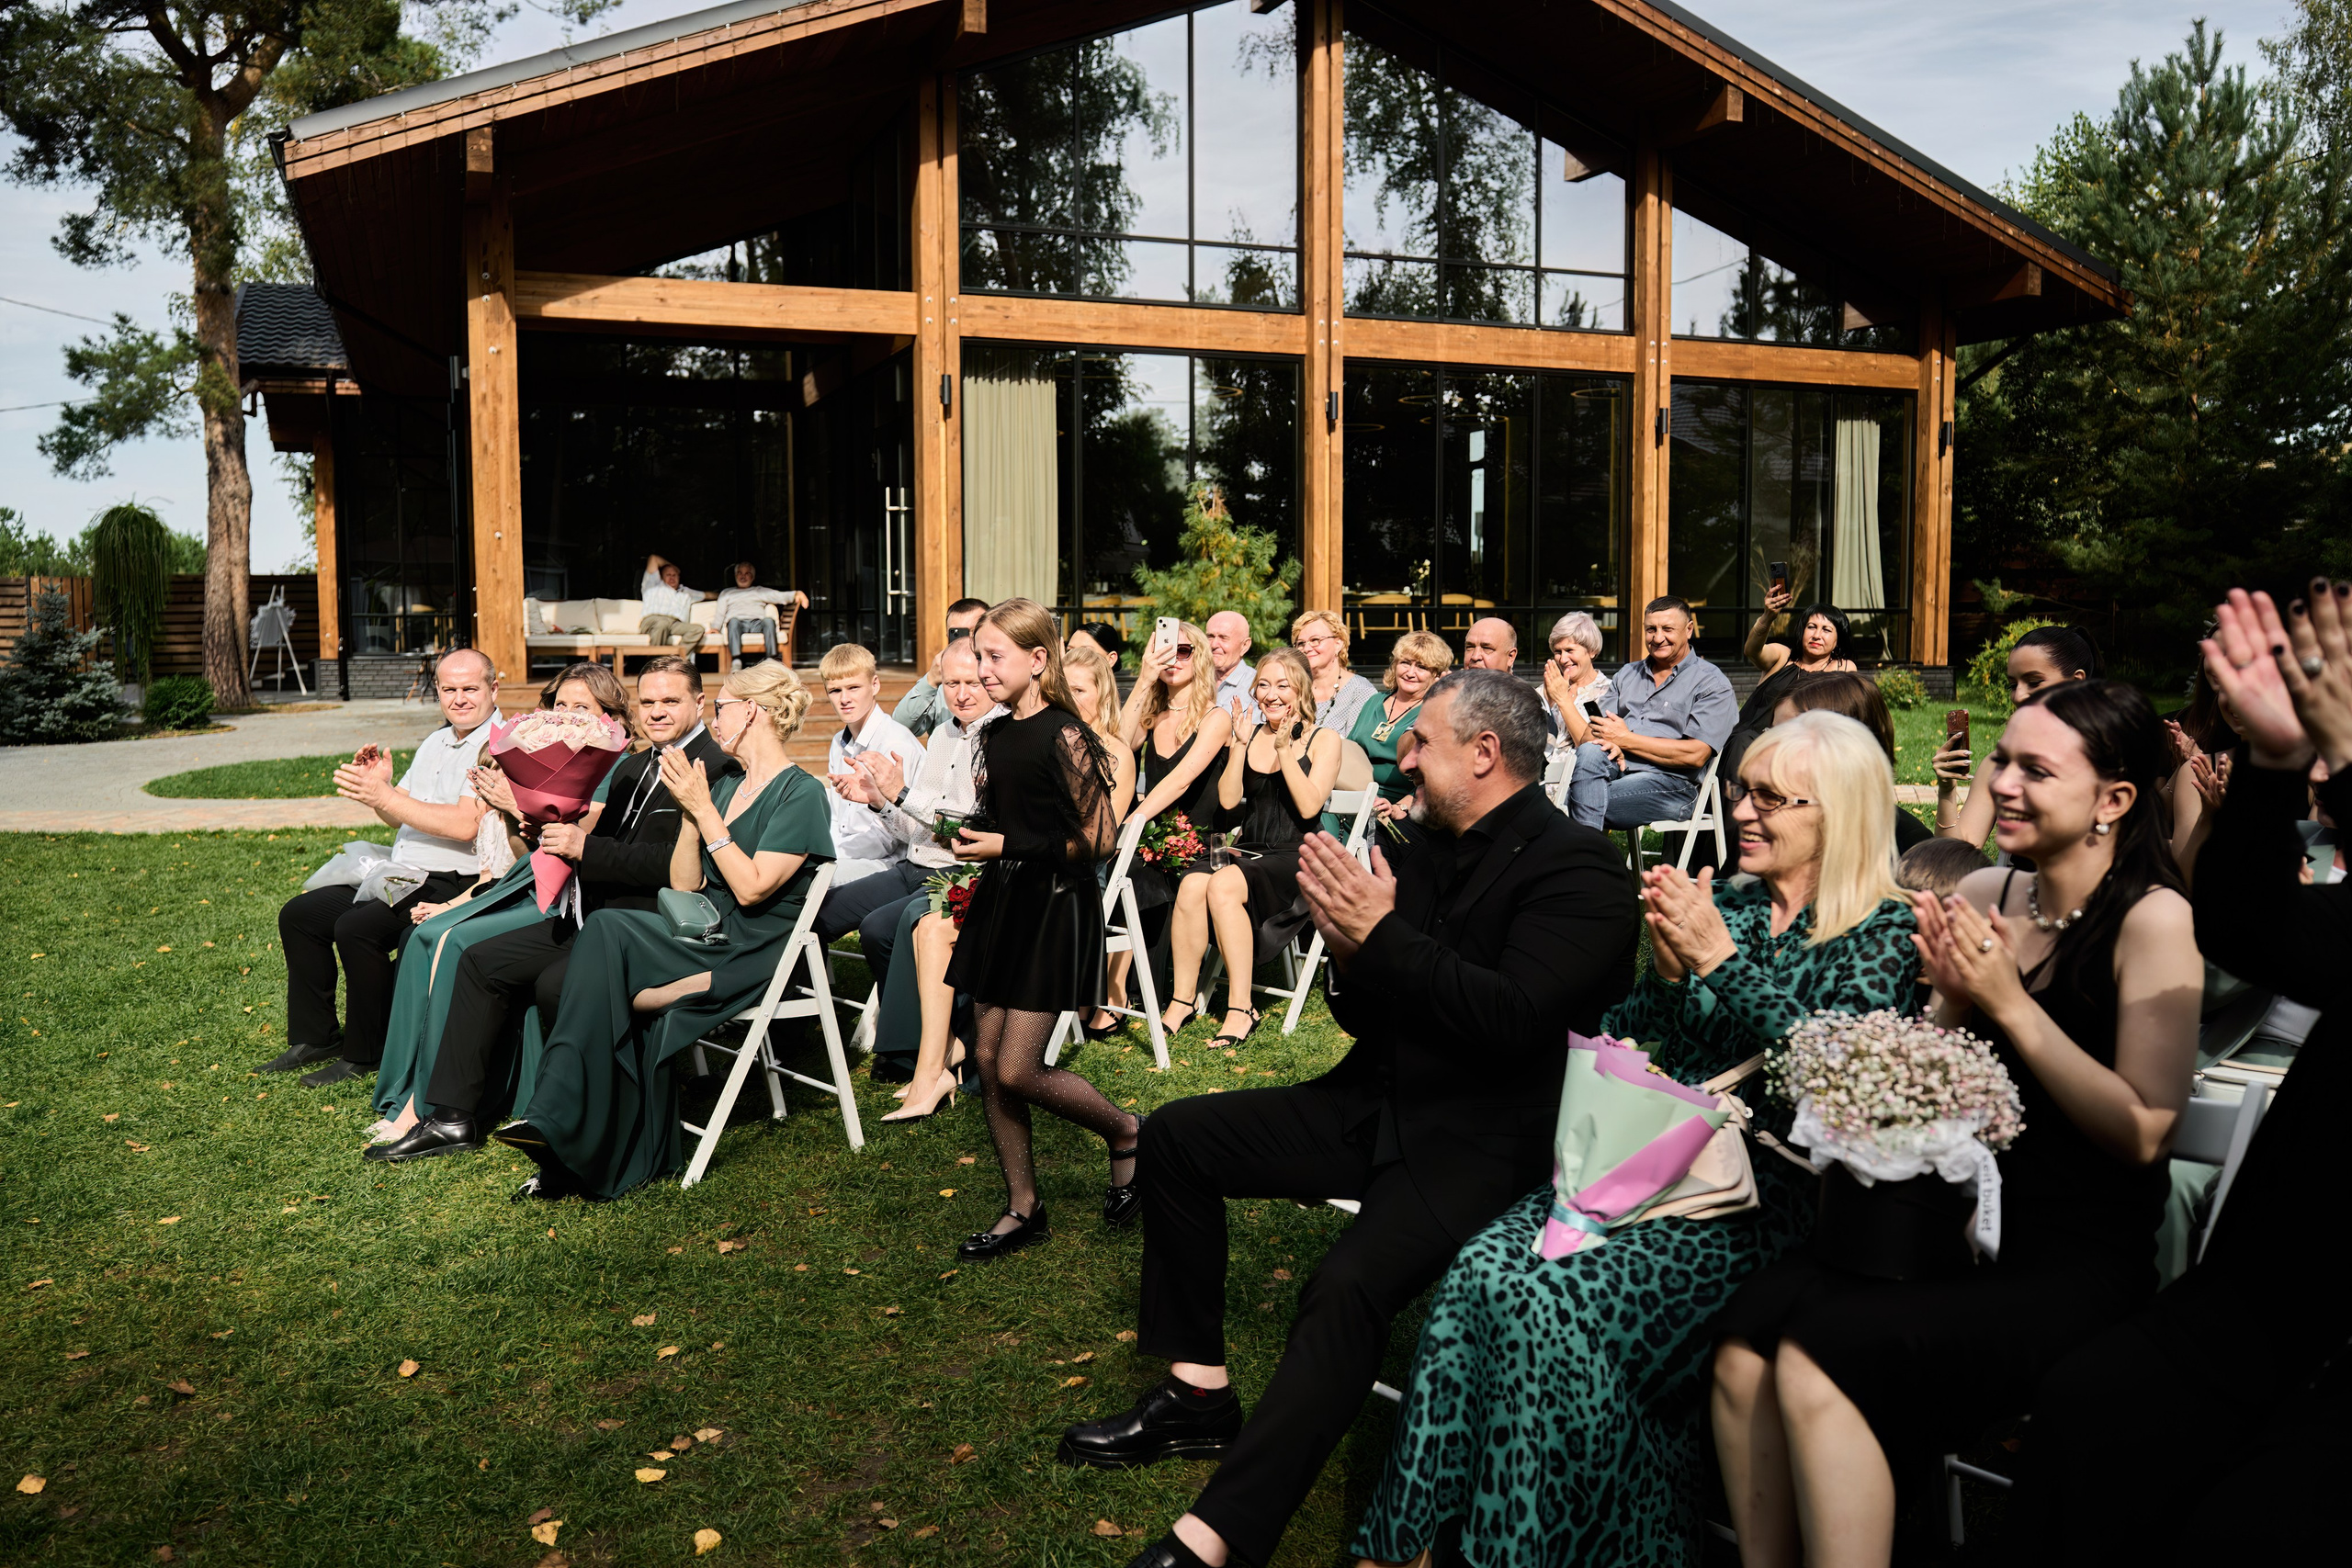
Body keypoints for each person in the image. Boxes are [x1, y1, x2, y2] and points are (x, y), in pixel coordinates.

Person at [1063, 670, 1639, 1568]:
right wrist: (1348, 955)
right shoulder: (1428, 850)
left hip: (1483, 1138)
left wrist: (1383, 938)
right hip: (1370, 1102)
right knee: (1177, 1137)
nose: (1398, 756)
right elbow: (1377, 1013)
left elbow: (1514, 1022)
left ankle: (1218, 1540)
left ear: (1485, 753)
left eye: (1419, 743)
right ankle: (1197, 1396)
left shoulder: (1584, 869)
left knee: (1344, 1289)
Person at [1352, 710, 1920, 1568]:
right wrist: (1661, 978)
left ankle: (1517, 1549)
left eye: (1772, 797)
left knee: (1547, 1309)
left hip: (1754, 1208)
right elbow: (1627, 1043)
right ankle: (1403, 1545)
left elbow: (1840, 1090)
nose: (1744, 812)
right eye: (1741, 791)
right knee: (1482, 1272)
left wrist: (1723, 964)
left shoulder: (1883, 934)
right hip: (1635, 1165)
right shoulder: (1721, 898)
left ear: (1839, 811)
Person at [1713, 680, 2199, 1566]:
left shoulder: (2155, 920)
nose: (2003, 783)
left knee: (1822, 1352)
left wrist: (2010, 1005)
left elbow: (2145, 1132)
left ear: (2115, 799)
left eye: (2035, 770)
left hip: (2072, 1258)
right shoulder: (1985, 888)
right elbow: (1928, 1083)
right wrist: (1942, 1013)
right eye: (2003, 761)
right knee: (1749, 1334)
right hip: (1942, 1230)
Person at [2007, 581, 2352, 1564]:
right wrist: (2278, 763)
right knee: (2087, 1411)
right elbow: (2252, 928)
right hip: (2270, 1301)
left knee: (2256, 1524)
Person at [363, 658, 733, 1161]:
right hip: (590, 910)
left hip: (643, 926)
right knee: (479, 960)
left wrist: (584, 848)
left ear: (699, 703)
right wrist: (543, 829)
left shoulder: (716, 767)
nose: (658, 712)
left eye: (671, 701)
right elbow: (598, 840)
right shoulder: (632, 763)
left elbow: (680, 870)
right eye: (649, 701)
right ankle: (452, 1117)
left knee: (546, 978)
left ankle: (558, 1110)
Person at [496, 660, 836, 1201]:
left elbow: (750, 890)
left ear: (752, 713)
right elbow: (686, 881)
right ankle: (567, 1128)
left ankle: (566, 1134)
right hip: (698, 929)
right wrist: (687, 816)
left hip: (746, 949)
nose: (716, 719)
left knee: (600, 978)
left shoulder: (801, 793)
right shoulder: (728, 785)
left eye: (720, 707)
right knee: (606, 930)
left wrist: (707, 814)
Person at [939, 599, 1135, 1260]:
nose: (981, 668)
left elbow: (1098, 838)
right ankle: (1024, 1206)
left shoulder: (1066, 733)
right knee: (989, 1065)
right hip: (1005, 902)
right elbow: (1004, 819)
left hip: (1054, 906)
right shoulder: (995, 734)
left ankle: (1128, 1131)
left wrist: (1005, 844)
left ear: (1037, 659)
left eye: (994, 657)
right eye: (978, 655)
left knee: (1018, 1068)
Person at [266, 649, 502, 1089]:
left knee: (357, 929)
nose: (460, 698)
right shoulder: (438, 740)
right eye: (449, 689)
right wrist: (384, 788)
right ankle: (315, 1037)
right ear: (438, 691)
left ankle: (366, 1051)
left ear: (494, 688)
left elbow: (467, 825)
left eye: (471, 688)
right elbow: (396, 816)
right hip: (403, 872)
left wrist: (385, 797)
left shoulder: (497, 744)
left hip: (453, 880)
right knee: (300, 916)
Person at [848, 638, 1002, 1118]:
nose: (960, 693)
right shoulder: (941, 737)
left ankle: (934, 1052)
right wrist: (882, 800)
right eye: (951, 683)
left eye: (971, 682)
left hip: (975, 870)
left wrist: (901, 793)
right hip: (926, 860)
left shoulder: (999, 737)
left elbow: (965, 829)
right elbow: (921, 826)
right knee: (874, 930)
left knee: (904, 923)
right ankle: (921, 1044)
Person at [1164, 649, 1340, 1054]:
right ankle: (1182, 999)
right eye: (1264, 684)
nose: (1272, 694)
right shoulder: (1249, 732)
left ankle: (1241, 1008)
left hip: (1298, 851)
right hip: (1249, 847)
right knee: (1193, 881)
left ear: (1302, 690)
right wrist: (1240, 747)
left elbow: (1310, 806)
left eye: (1283, 685)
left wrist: (1283, 749)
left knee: (1224, 884)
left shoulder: (1325, 738)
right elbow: (1229, 802)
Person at [1118, 618, 1238, 997]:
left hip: (1202, 842)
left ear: (1199, 658)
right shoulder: (1154, 715)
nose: (1173, 659)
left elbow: (1181, 778)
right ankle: (1116, 988)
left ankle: (1135, 991)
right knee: (1119, 868)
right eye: (1165, 651)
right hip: (1156, 834)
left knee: (1134, 869)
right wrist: (1144, 678)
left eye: (1182, 651)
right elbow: (1118, 746)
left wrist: (1134, 821)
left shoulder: (1215, 718)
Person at [1565, 595, 1737, 834]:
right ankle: (1590, 861)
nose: (1658, 638)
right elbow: (1587, 737)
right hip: (1618, 768)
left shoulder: (1711, 683)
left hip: (1673, 785)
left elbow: (1695, 755)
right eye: (1651, 629)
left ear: (1689, 630)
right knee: (1591, 751)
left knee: (1578, 800)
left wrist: (1625, 740)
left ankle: (1584, 861)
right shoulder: (1628, 674)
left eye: (1667, 629)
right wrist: (1607, 741)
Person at [1933, 624, 2100, 845]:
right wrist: (1946, 790)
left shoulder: (2106, 759)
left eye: (2034, 682)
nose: (2018, 696)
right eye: (2013, 685)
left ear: (2076, 682)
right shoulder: (1998, 764)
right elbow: (1952, 859)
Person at [1065, 639, 1142, 1038]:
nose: (1070, 698)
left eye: (1080, 690)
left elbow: (1100, 835)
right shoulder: (1046, 739)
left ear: (1102, 694)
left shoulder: (1115, 753)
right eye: (1065, 688)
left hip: (1084, 868)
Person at [1775, 669, 1936, 851]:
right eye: (1770, 734)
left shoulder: (1906, 844)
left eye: (1789, 739)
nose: (1769, 750)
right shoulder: (1764, 816)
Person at [817, 641, 926, 887]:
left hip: (893, 862)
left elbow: (887, 838)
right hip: (848, 850)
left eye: (854, 687)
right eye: (835, 691)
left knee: (809, 879)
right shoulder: (838, 742)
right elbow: (836, 815)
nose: (844, 699)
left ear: (874, 685)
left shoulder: (895, 744)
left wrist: (827, 856)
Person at [1723, 592, 1856, 786]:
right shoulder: (1782, 657)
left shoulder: (1842, 668)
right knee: (1742, 740)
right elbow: (1752, 650)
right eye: (1811, 627)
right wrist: (1768, 616)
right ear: (1802, 631)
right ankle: (1736, 811)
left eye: (1826, 629)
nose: (1817, 635)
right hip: (1750, 742)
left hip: (1803, 750)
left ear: (1837, 640)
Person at [1344, 627, 1451, 833]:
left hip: (1399, 810)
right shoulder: (1374, 701)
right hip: (1354, 799)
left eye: (1421, 667)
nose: (1410, 672)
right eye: (1405, 663)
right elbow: (1349, 753)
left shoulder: (1433, 712)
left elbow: (1433, 778)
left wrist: (1400, 807)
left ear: (1436, 675)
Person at [1536, 610, 1610, 796]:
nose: (1562, 659)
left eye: (1570, 650)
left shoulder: (1608, 692)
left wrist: (1561, 700)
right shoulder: (1549, 687)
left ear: (1592, 651)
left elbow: (1588, 745)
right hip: (1536, 785)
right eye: (1557, 652)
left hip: (1576, 788)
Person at [895, 598, 991, 739]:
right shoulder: (941, 684)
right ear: (948, 637)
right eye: (957, 633)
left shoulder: (1000, 676)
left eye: (974, 632)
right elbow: (899, 729)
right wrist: (930, 681)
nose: (967, 641)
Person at [709, 560, 808, 673]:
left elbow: (779, 596)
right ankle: (736, 661)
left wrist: (797, 593)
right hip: (737, 625)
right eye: (740, 573)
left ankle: (771, 659)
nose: (743, 576)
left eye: (747, 573)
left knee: (768, 621)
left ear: (752, 577)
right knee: (733, 621)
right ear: (735, 575)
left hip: (756, 624)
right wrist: (715, 628)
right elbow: (720, 613)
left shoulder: (759, 591)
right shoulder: (727, 593)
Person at [1291, 609, 1376, 737]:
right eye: (1301, 643)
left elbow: (1356, 745)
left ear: (1338, 644)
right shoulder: (1292, 688)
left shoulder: (1361, 690)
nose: (1307, 649)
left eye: (1315, 640)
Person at [639, 553, 711, 649]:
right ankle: (656, 662)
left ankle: (676, 660)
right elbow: (653, 558)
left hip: (675, 624)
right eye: (668, 575)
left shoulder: (686, 592)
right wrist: (674, 567)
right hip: (653, 621)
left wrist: (728, 592)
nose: (672, 578)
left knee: (698, 629)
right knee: (662, 623)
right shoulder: (653, 585)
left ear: (679, 577)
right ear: (662, 577)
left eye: (674, 575)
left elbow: (708, 595)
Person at [1204, 611, 1257, 720]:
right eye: (1210, 636)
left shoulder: (1257, 687)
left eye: (1223, 638)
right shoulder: (1193, 680)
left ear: (1245, 646)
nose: (1214, 645)